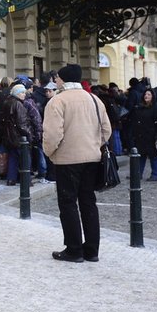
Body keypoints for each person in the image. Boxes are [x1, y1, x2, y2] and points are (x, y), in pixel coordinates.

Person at [43, 65, 111, 263]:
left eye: (56, 78)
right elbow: (106, 129)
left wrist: (50, 152)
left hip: (67, 159)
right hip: (92, 157)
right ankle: (92, 250)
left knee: (68, 203)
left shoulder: (57, 101)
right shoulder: (94, 99)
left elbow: (53, 134)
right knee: (88, 202)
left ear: (62, 80)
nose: (55, 81)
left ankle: (74, 249)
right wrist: (94, 145)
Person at [129, 89, 157, 181]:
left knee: (154, 157)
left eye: (149, 94)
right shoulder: (140, 107)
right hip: (141, 137)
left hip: (153, 137)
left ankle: (155, 175)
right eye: (145, 94)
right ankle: (138, 174)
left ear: (153, 96)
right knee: (140, 157)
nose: (146, 96)